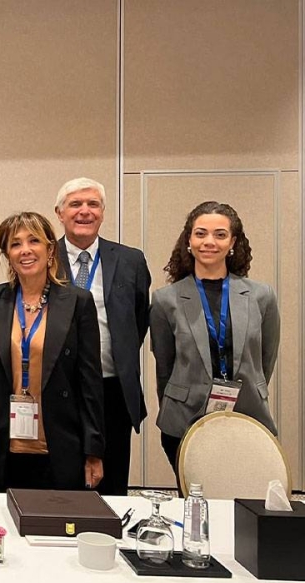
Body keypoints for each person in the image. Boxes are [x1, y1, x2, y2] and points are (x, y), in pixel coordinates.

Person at [0, 212, 104, 490]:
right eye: (15, 244)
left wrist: (94, 451)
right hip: (0, 442)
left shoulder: (77, 302)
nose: (25, 250)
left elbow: (90, 382)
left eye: (34, 241)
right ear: (8, 255)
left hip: (61, 441)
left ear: (50, 250)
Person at [150, 201, 279, 477]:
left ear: (232, 242)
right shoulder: (165, 300)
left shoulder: (261, 296)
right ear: (189, 240)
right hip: (184, 419)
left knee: (243, 492)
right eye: (200, 233)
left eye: (220, 234)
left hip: (247, 415)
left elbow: (265, 359)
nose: (209, 242)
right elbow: (164, 366)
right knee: (196, 496)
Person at [54, 177, 151, 496]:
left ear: (103, 212)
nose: (85, 211)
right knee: (63, 483)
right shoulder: (44, 257)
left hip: (112, 389)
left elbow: (138, 319)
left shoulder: (130, 260)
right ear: (59, 213)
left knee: (111, 485)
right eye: (75, 204)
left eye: (93, 204)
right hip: (60, 389)